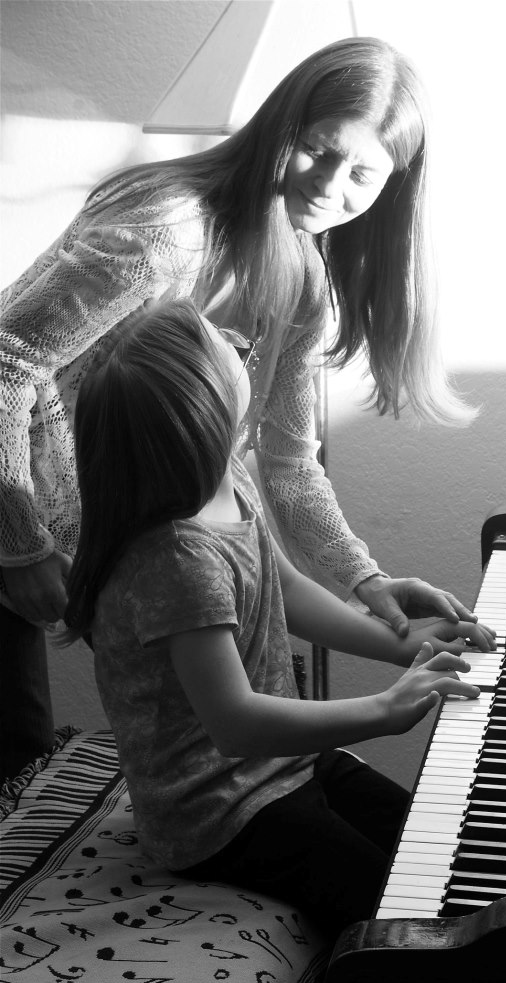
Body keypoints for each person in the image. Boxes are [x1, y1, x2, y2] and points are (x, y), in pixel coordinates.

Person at [0, 36, 477, 777]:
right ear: (281, 127)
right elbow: (7, 364)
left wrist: (367, 582)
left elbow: (288, 464)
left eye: (362, 173)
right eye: (319, 151)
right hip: (13, 504)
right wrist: (20, 545)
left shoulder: (303, 282)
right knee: (16, 755)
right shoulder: (166, 231)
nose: (330, 186)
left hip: (123, 537)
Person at [60, 298, 494, 936]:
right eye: (222, 344)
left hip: (282, 765)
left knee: (440, 846)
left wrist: (400, 644)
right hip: (217, 812)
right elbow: (235, 722)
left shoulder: (228, 477)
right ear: (206, 406)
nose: (240, 345)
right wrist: (382, 710)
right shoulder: (177, 560)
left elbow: (283, 587)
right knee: (396, 911)